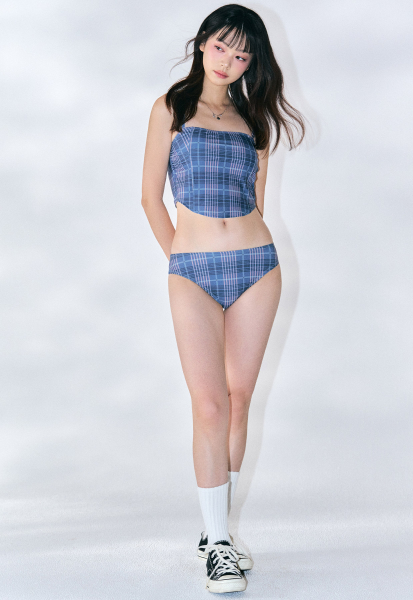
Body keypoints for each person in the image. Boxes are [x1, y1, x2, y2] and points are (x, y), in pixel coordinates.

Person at [141, 4, 305, 593]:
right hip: (192, 271)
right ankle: (216, 545)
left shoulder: (253, 120)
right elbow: (150, 198)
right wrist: (182, 261)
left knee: (237, 401)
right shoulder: (170, 108)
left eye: (242, 54)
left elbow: (255, 202)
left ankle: (220, 534)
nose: (228, 61)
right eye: (221, 46)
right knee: (207, 405)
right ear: (202, 42)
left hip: (257, 268)